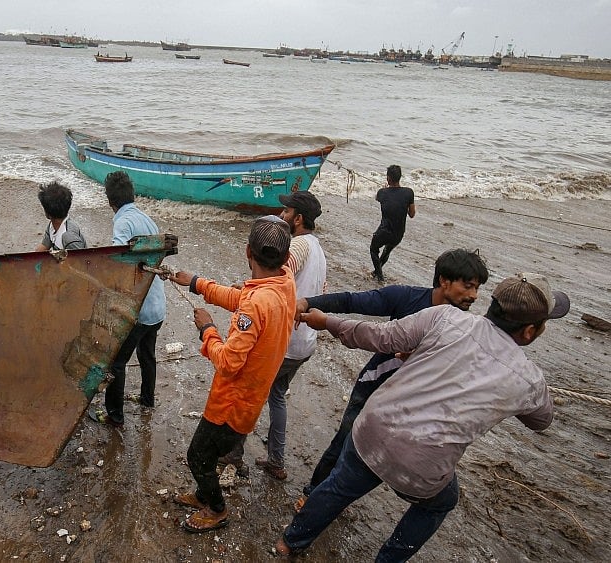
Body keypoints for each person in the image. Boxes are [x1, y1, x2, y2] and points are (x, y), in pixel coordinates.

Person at [276, 272, 568, 560]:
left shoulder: (444, 317)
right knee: (442, 502)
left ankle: (290, 542)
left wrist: (327, 321)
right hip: (423, 464)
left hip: (373, 428)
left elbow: (378, 336)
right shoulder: (528, 379)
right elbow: (542, 420)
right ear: (530, 331)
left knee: (340, 485)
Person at [297, 249, 489, 506]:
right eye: (468, 286)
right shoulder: (405, 297)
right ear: (444, 281)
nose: (474, 296)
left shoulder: (467, 329)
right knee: (345, 440)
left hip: (410, 403)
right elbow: (353, 301)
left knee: (375, 459)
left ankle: (333, 499)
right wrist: (308, 302)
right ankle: (313, 494)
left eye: (477, 289)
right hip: (373, 386)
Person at [168, 215, 296, 533]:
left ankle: (216, 509)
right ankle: (203, 495)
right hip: (251, 399)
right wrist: (197, 283)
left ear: (247, 252)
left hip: (232, 404)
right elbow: (241, 298)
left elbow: (227, 363)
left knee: (198, 456)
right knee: (207, 454)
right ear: (286, 258)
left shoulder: (256, 305)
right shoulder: (284, 285)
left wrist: (207, 329)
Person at [219, 191, 327, 480]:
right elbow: (320, 291)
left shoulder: (299, 246)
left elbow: (275, 279)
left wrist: (251, 294)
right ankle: (276, 461)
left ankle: (233, 454)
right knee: (277, 396)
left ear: (299, 218)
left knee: (247, 395)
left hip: (284, 344)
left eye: (286, 212)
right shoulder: (318, 249)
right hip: (304, 344)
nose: (282, 216)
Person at [88, 171, 165, 427]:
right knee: (147, 356)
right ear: (132, 195)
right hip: (157, 308)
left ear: (110, 201)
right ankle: (147, 400)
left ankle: (114, 415)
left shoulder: (122, 223)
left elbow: (121, 267)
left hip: (140, 311)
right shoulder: (147, 219)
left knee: (117, 362)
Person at [369, 165, 414, 281]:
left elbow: (377, 198)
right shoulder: (409, 192)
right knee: (387, 250)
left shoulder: (382, 193)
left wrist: (385, 189)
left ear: (388, 178)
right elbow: (412, 214)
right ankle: (376, 273)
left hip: (384, 232)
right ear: (400, 177)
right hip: (398, 234)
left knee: (373, 249)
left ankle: (380, 277)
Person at [35, 181, 87, 251]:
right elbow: (43, 247)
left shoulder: (69, 236)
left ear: (48, 213)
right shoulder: (52, 227)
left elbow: (82, 258)